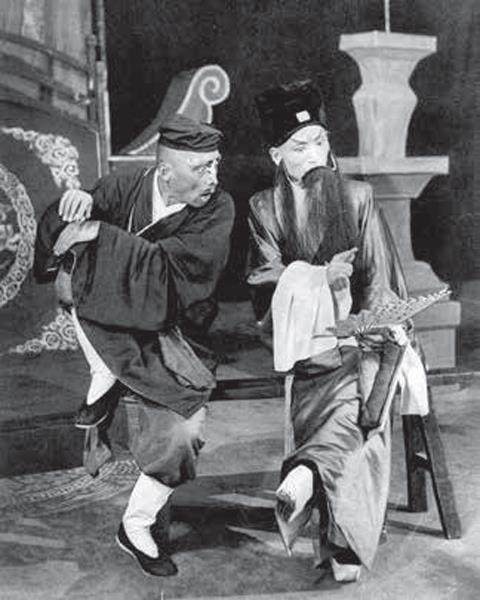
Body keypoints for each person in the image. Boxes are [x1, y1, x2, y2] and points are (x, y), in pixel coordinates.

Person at [34, 114, 235, 577]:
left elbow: (172, 273)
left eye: (215, 165)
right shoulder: (124, 187)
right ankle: (104, 374)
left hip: (172, 336)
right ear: (165, 171)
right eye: (201, 168)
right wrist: (79, 205)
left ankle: (135, 524)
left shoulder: (218, 208)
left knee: (183, 432)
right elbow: (62, 238)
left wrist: (98, 236)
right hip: (109, 326)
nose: (212, 178)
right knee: (74, 277)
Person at [247, 80, 424, 582]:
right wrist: (318, 281)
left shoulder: (358, 196)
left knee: (360, 395)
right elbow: (263, 280)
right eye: (299, 147)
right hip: (304, 340)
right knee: (334, 386)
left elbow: (381, 283)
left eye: (320, 142)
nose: (313, 154)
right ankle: (341, 534)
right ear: (276, 155)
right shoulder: (265, 207)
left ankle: (309, 479)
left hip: (366, 338)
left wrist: (364, 331)